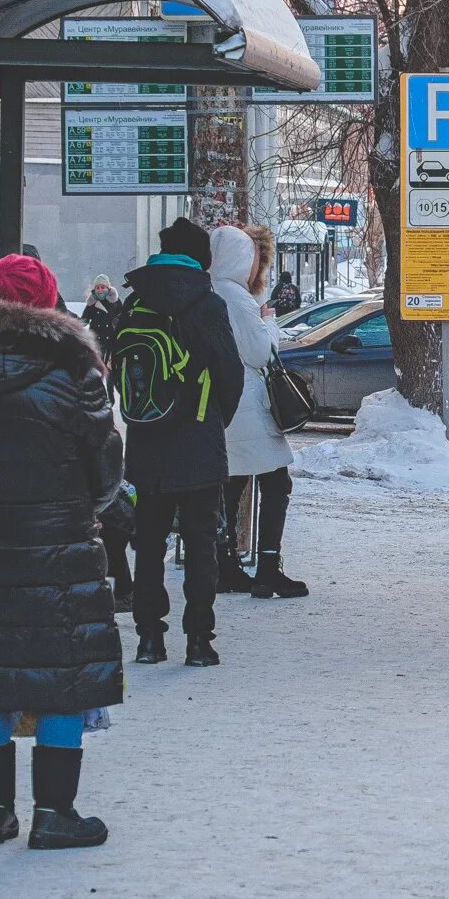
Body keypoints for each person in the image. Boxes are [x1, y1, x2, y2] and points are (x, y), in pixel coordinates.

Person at [0, 254, 125, 850]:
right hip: (56, 542)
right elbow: (105, 468)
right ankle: (55, 813)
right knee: (61, 672)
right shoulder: (74, 372)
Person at [118, 218, 242, 667]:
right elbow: (231, 373)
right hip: (198, 440)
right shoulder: (207, 304)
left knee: (148, 545)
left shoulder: (136, 302)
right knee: (200, 544)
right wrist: (212, 420)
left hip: (146, 440)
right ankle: (198, 640)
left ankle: (149, 638)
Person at [211, 225, 308, 598]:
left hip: (224, 405)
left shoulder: (211, 291)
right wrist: (267, 320)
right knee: (276, 482)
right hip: (249, 405)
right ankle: (268, 567)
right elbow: (260, 353)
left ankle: (226, 566)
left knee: (231, 484)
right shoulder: (237, 298)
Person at [81, 274, 122, 354]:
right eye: (97, 287)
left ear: (108, 288)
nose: (100, 290)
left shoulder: (115, 302)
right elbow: (84, 320)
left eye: (103, 287)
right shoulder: (91, 303)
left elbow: (122, 318)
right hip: (95, 342)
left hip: (111, 341)